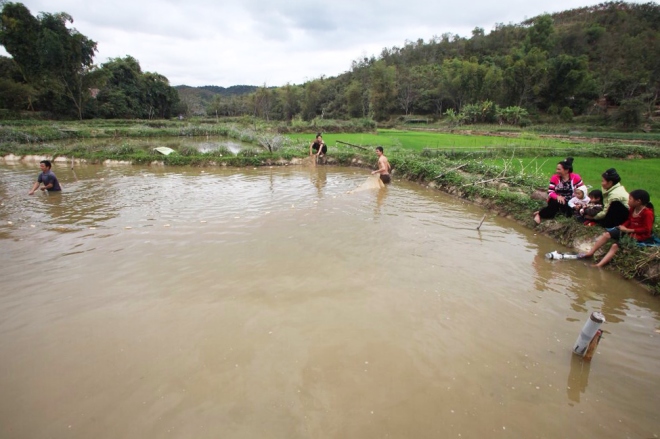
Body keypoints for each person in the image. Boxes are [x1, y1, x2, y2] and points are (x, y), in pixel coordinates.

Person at [579, 190, 655, 267]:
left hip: (639, 235)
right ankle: (590, 253)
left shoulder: (647, 213)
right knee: (606, 234)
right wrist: (622, 226)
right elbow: (629, 220)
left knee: (614, 246)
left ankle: (599, 265)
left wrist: (628, 230)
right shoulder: (633, 209)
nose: (628, 201)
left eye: (630, 199)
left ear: (638, 201)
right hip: (628, 230)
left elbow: (647, 229)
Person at [533, 157, 583, 224]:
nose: (557, 171)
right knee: (555, 205)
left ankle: (543, 211)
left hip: (571, 201)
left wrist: (579, 201)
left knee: (569, 215)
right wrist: (557, 197)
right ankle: (540, 214)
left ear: (566, 170)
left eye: (559, 169)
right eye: (557, 169)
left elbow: (583, 190)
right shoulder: (554, 178)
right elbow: (550, 192)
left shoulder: (576, 177)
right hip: (556, 200)